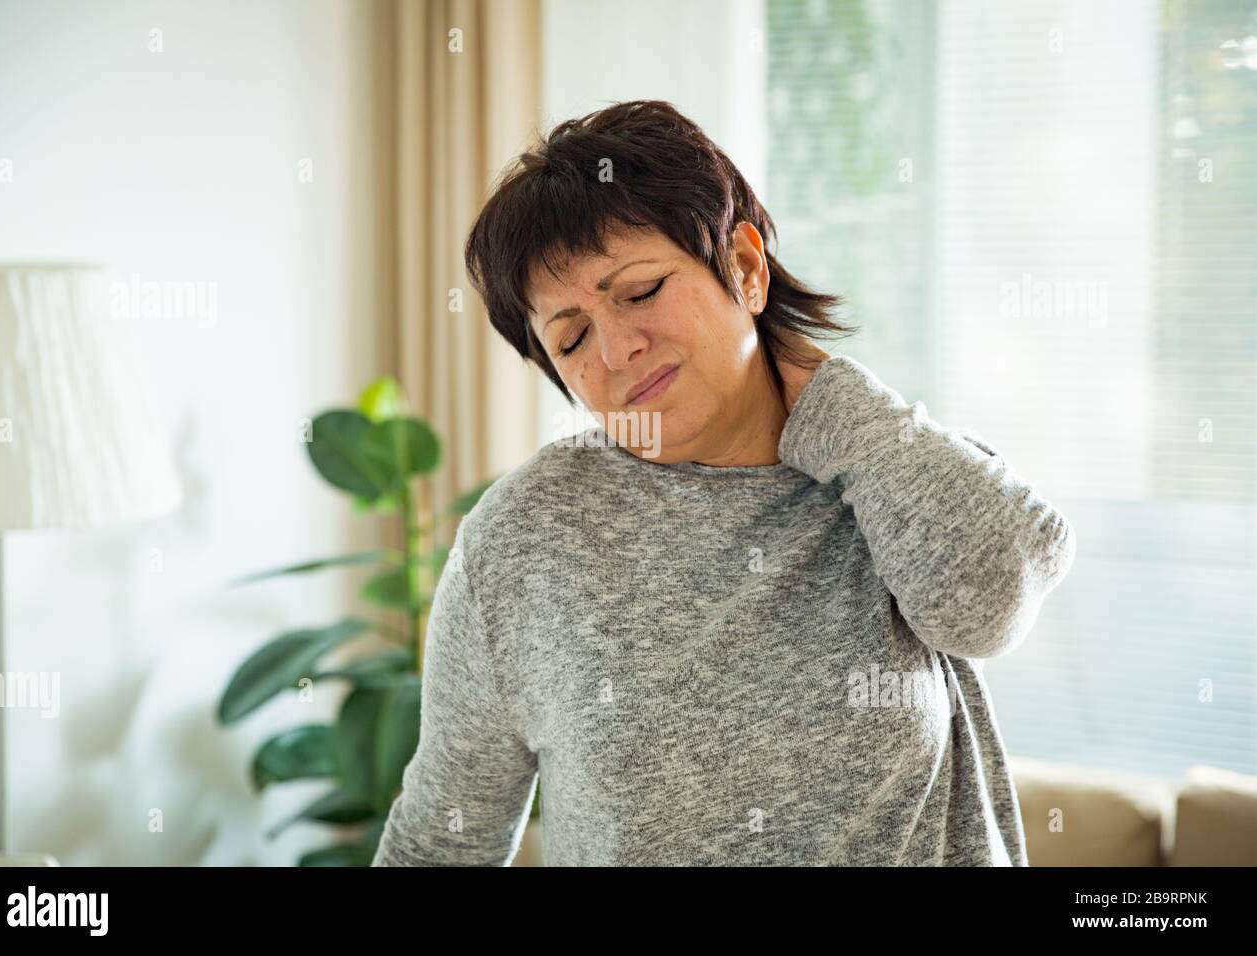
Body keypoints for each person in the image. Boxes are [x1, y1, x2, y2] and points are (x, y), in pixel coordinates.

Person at [372, 100, 1076, 866]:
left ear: (743, 267)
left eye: (639, 292)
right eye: (570, 337)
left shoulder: (881, 469)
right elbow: (440, 842)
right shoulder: (524, 538)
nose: (616, 349)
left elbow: (986, 603)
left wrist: (823, 397)